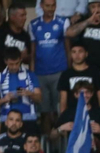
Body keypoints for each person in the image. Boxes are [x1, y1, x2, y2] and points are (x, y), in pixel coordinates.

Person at [32, 0, 72, 133]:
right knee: (44, 112)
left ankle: (59, 147)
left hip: (59, 71)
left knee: (59, 110)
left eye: (53, 6)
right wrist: (32, 76)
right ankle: (46, 146)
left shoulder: (63, 22)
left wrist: (69, 71)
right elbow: (32, 53)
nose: (50, 9)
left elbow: (68, 49)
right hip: (40, 73)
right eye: (47, 6)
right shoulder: (33, 25)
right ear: (41, 6)